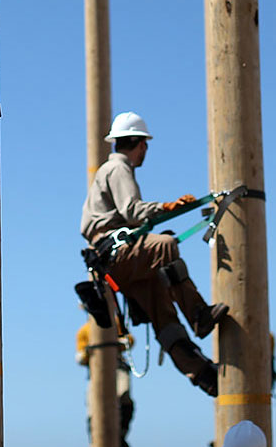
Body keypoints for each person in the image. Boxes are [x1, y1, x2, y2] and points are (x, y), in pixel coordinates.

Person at [80, 111, 228, 396]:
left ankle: (203, 374)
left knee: (164, 316)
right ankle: (199, 314)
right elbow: (132, 211)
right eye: (144, 144)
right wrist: (167, 207)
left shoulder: (113, 170)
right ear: (139, 143)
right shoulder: (118, 168)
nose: (145, 150)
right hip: (116, 255)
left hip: (121, 264)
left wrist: (168, 209)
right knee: (164, 246)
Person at [76, 322, 134, 447]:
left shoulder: (116, 323)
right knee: (93, 407)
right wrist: (87, 352)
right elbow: (79, 357)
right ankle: (95, 439)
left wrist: (118, 342)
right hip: (96, 373)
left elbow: (130, 340)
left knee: (123, 395)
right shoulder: (84, 331)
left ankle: (121, 433)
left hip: (118, 367)